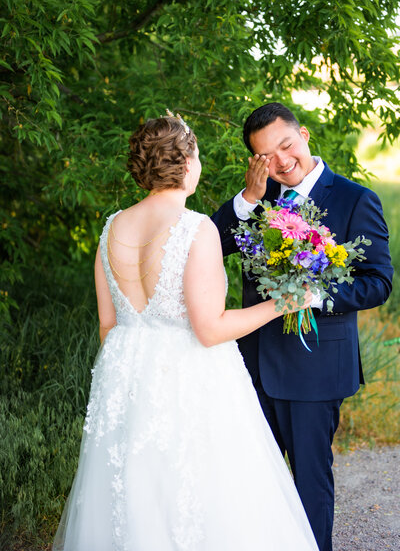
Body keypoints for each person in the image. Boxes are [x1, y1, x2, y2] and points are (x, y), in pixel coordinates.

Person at [53, 114, 319, 550]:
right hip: (192, 380)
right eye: (196, 154)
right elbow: (210, 329)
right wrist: (283, 303)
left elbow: (108, 324)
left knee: (134, 497)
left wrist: (132, 380)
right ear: (187, 161)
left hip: (126, 380)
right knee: (205, 497)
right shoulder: (196, 228)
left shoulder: (111, 228)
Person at [211, 102, 393, 551]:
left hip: (316, 367)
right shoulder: (258, 200)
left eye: (286, 145)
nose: (281, 161)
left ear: (305, 135)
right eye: (265, 156)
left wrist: (319, 297)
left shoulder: (354, 199)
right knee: (255, 479)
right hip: (253, 364)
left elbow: (378, 283)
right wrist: (248, 199)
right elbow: (208, 244)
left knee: (309, 483)